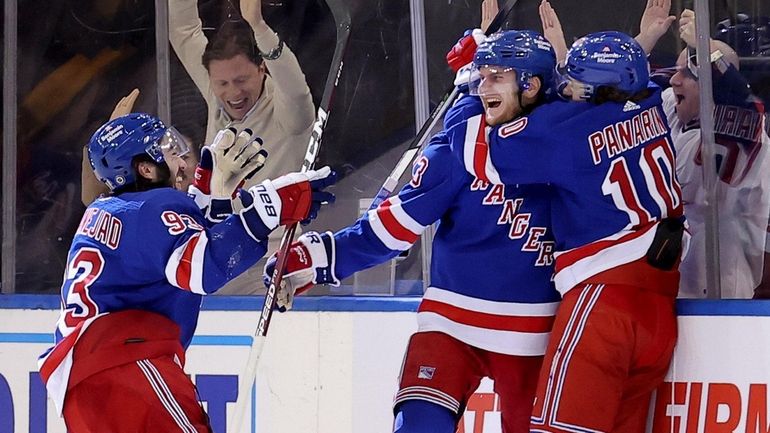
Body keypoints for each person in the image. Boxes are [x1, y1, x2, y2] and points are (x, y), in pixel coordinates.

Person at [263, 30, 561, 433]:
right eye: (480, 75)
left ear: (531, 84)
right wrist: (314, 259)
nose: (482, 85)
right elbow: (390, 229)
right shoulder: (459, 145)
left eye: (496, 76)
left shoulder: (563, 144)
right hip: (452, 324)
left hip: (535, 333)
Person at [450, 28, 686, 433]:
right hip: (659, 312)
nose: (565, 88)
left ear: (596, 91)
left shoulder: (567, 129)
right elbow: (623, 79)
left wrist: (468, 85)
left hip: (603, 305)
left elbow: (473, 151)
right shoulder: (650, 101)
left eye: (575, 83)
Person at [38, 113, 335, 432]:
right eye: (168, 149)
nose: (182, 161)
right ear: (147, 169)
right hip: (125, 366)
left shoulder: (104, 211)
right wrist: (271, 207)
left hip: (82, 384)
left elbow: (176, 249)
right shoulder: (151, 208)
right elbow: (202, 268)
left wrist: (211, 197)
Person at [635, 4, 770, 298]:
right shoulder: (674, 109)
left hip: (720, 284)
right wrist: (642, 43)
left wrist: (708, 50)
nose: (674, 79)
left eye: (690, 72)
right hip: (664, 279)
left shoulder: (748, 126)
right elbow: (620, 102)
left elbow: (741, 98)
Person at [169, 0, 314, 185]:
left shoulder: (288, 116)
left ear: (262, 68)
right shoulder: (215, 91)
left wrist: (259, 27)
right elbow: (184, 31)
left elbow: (297, 90)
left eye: (241, 80)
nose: (233, 92)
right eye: (222, 83)